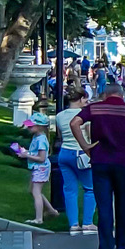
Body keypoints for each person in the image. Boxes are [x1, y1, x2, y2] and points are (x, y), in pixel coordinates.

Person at [72, 81, 125, 249]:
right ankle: (123, 240)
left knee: (103, 204)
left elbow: (74, 123)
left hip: (100, 160)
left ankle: (105, 246)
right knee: (123, 201)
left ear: (105, 95)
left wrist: (85, 145)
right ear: (121, 95)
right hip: (124, 161)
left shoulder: (95, 108)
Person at [54, 88, 98, 236]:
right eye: (85, 99)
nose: (87, 102)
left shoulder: (59, 116)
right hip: (82, 154)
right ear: (80, 99)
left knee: (69, 190)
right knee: (90, 188)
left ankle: (73, 225)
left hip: (65, 153)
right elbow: (90, 136)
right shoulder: (84, 116)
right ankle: (87, 223)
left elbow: (60, 135)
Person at [13, 114, 62, 227]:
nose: (28, 128)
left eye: (31, 126)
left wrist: (26, 156)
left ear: (39, 126)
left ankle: (39, 218)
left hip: (40, 168)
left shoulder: (41, 140)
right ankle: (51, 211)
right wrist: (26, 152)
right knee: (33, 190)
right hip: (37, 167)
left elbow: (42, 158)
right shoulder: (37, 137)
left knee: (36, 192)